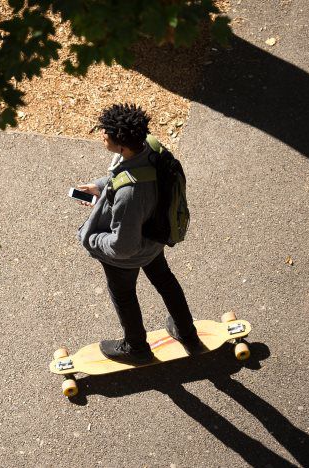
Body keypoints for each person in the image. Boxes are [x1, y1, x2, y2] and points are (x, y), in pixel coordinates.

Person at [76, 103, 202, 363]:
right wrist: (100, 186)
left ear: (121, 144)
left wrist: (92, 238)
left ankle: (136, 348)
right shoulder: (150, 148)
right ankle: (187, 332)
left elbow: (123, 247)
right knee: (165, 281)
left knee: (123, 294)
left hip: (132, 251)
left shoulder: (128, 195)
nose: (102, 135)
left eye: (106, 133)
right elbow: (128, 175)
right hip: (154, 237)